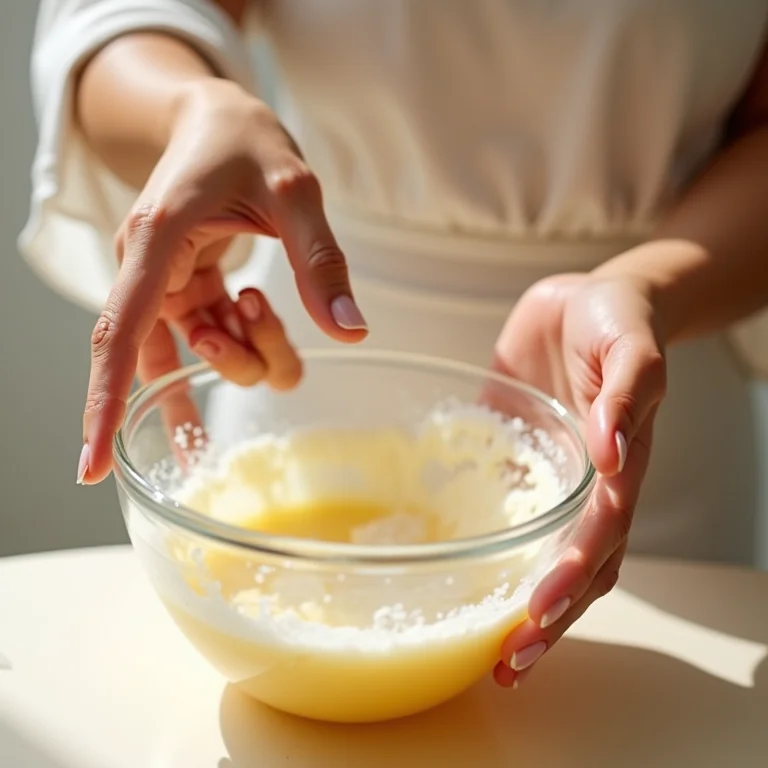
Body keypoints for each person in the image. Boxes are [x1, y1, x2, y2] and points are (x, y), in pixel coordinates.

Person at [22, 0, 768, 689]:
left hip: (637, 399)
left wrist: (649, 286)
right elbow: (124, 14)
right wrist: (192, 108)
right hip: (301, 375)